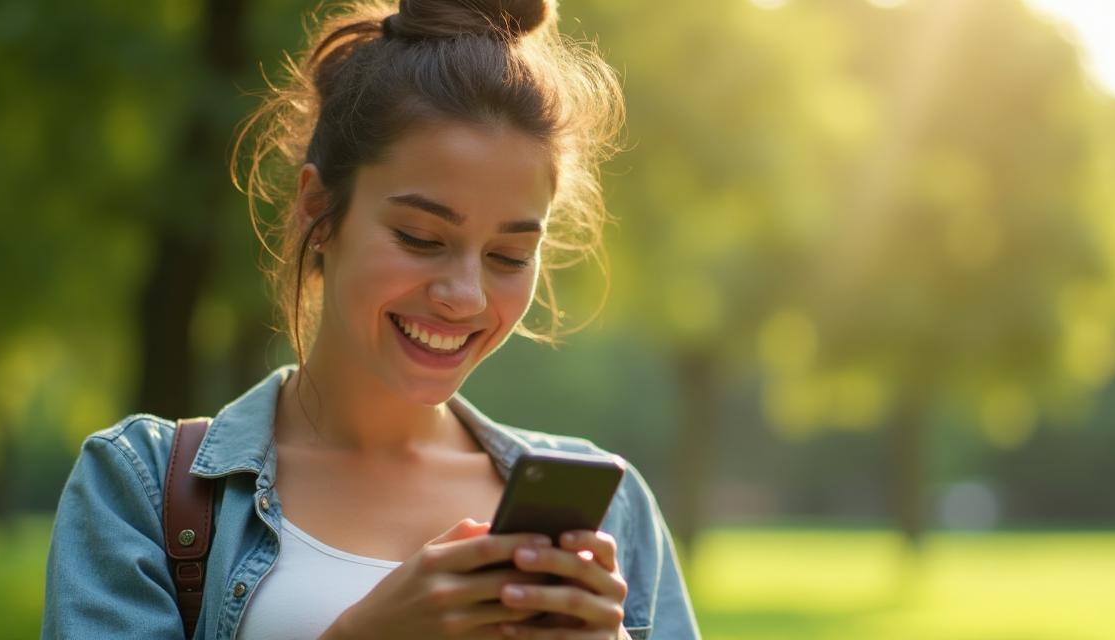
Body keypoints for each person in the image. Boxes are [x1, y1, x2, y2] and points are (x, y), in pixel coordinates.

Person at [41, 0, 697, 638]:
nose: (464, 296)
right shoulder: (142, 489)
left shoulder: (610, 514)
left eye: (509, 254)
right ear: (318, 209)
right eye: (420, 237)